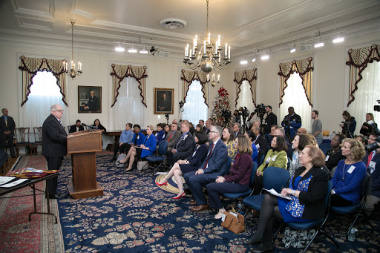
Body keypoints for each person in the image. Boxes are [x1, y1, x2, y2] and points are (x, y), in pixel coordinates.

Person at [245, 145, 329, 252]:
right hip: (294, 201)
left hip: (307, 209)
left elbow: (314, 197)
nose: (300, 156)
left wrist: (293, 192)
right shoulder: (300, 169)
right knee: (268, 197)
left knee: (271, 210)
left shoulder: (320, 175)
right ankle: (261, 236)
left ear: (311, 157)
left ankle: (265, 241)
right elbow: (291, 185)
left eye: (303, 154)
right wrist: (286, 190)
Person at [206, 134, 253, 219]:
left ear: (241, 144)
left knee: (211, 187)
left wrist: (224, 179)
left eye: (236, 142)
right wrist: (223, 178)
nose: (234, 144)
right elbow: (233, 174)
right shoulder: (240, 155)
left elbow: (238, 176)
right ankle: (216, 207)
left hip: (241, 185)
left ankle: (221, 210)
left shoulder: (245, 157)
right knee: (212, 183)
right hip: (236, 182)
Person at [183, 126, 228, 212]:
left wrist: (203, 171)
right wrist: (200, 169)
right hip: (208, 170)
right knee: (186, 176)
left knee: (193, 179)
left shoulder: (221, 147)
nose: (209, 133)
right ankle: (198, 198)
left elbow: (217, 166)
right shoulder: (212, 144)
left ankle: (203, 203)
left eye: (211, 132)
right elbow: (206, 160)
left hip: (216, 173)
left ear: (217, 134)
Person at [156, 131, 208, 199]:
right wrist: (184, 160)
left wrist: (185, 162)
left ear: (200, 138)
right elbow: (192, 157)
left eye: (196, 136)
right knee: (176, 172)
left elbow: (196, 161)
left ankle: (165, 179)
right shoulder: (198, 145)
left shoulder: (203, 147)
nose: (194, 138)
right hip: (193, 164)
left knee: (177, 164)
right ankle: (181, 192)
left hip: (197, 167)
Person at [331, 138, 366, 206]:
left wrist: (335, 191)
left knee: (324, 199)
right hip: (335, 191)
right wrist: (330, 188)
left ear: (353, 150)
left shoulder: (361, 167)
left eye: (345, 147)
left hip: (349, 196)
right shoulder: (341, 162)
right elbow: (334, 178)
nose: (341, 149)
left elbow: (352, 186)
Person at [42, 105, 68, 198]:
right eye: (60, 111)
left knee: (54, 173)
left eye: (62, 110)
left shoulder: (54, 120)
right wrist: (68, 138)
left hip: (55, 151)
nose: (62, 112)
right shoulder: (51, 121)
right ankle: (50, 194)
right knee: (52, 173)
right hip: (53, 152)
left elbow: (60, 134)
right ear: (53, 111)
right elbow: (55, 136)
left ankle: (52, 192)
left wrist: (68, 137)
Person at [363, 133, 380, 215]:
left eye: (373, 140)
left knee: (365, 205)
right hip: (362, 184)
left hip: (374, 188)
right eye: (369, 138)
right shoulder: (365, 152)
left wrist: (368, 187)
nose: (369, 141)